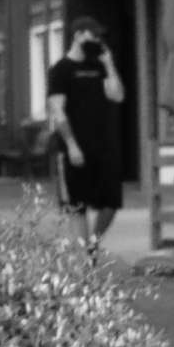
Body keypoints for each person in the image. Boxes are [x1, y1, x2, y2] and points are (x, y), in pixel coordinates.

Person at [47, 18, 127, 256]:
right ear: (79, 35)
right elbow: (58, 110)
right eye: (93, 36)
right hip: (74, 148)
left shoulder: (100, 66)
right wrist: (71, 145)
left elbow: (118, 96)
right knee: (77, 206)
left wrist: (109, 64)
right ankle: (84, 263)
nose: (97, 41)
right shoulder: (60, 70)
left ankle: (93, 242)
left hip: (104, 147)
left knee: (111, 202)